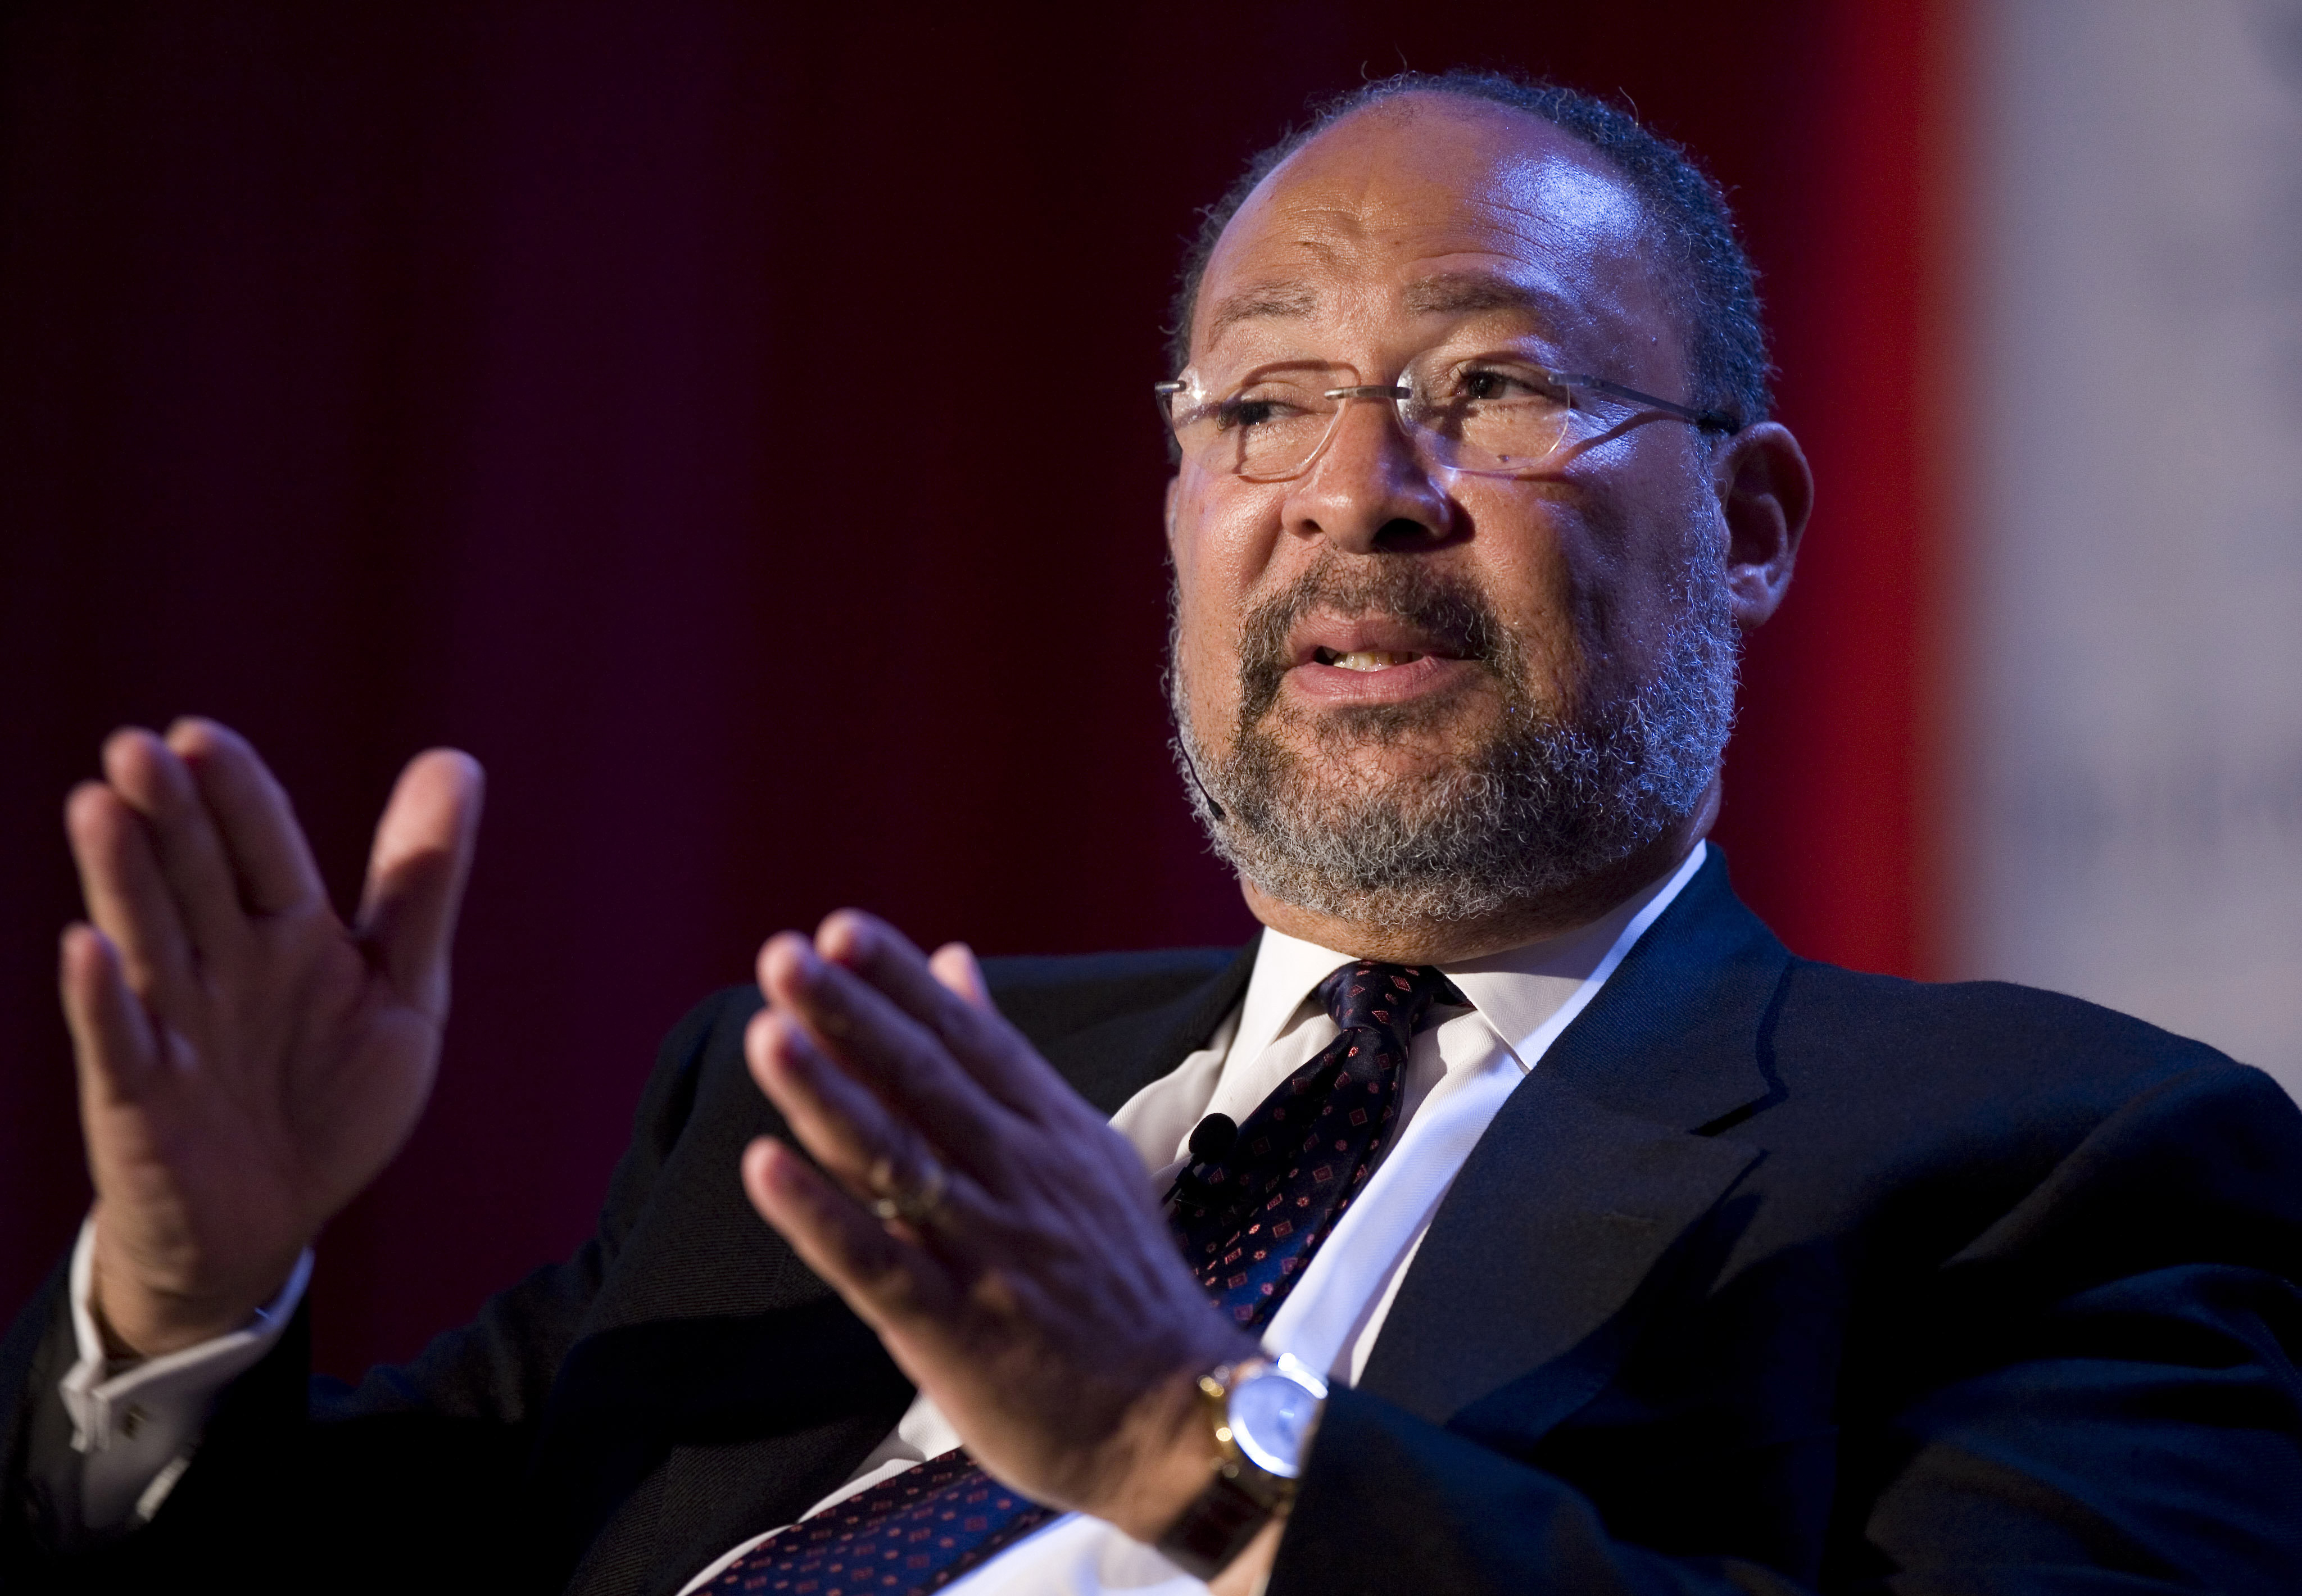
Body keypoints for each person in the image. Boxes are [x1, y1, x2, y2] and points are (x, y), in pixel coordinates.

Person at [4, 68, 2299, 1596]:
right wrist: (189, 1305)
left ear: (1755, 515)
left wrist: (1193, 1432)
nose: (1353, 489)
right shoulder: (839, 1106)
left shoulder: (2057, 1164)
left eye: (1486, 386)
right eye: (1265, 399)